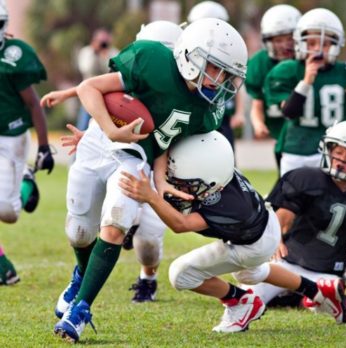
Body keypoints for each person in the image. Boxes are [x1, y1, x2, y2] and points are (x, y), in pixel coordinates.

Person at [49, 18, 248, 343]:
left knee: (115, 223)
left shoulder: (207, 111)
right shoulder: (152, 61)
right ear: (190, 57)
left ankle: (80, 309)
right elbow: (89, 88)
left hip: (135, 157)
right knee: (79, 232)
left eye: (227, 73)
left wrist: (161, 179)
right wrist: (109, 129)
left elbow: (164, 144)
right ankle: (82, 276)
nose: (221, 80)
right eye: (216, 69)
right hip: (100, 141)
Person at [119, 131, 346, 332]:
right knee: (253, 274)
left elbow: (180, 225)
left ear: (211, 184)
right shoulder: (217, 169)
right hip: (265, 226)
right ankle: (318, 292)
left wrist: (149, 197)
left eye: (187, 182)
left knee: (181, 274)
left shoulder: (228, 206)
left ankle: (241, 301)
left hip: (251, 245)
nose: (178, 182)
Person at [42, 21, 184, 305]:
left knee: (148, 245)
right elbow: (108, 90)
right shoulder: (140, 70)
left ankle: (148, 278)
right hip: (126, 158)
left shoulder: (185, 95)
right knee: (95, 224)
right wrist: (95, 131)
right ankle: (85, 279)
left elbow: (174, 138)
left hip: (160, 168)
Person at [244, 121, 346, 312]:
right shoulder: (305, 179)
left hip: (326, 272)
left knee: (326, 306)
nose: (341, 160)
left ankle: (297, 299)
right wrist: (277, 241)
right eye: (338, 153)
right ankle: (293, 297)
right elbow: (281, 219)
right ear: (328, 150)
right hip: (287, 262)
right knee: (247, 297)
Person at [264, 8, 346, 176]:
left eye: (325, 43)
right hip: (297, 149)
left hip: (335, 151)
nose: (318, 49)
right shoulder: (287, 70)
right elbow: (289, 112)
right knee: (291, 197)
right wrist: (306, 81)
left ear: (336, 45)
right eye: (312, 43)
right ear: (300, 43)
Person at [0, 0, 54, 285]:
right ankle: (2, 265)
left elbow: (34, 105)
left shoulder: (14, 56)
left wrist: (44, 146)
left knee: (8, 213)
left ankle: (26, 180)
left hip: (12, 136)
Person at [245, 4, 301, 172]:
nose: (285, 45)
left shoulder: (308, 62)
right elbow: (257, 103)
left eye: (290, 38)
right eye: (278, 40)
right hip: (279, 132)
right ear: (268, 41)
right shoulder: (259, 63)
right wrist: (258, 124)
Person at [186, 0, 246, 149]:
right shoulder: (189, 47)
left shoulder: (230, 48)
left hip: (220, 113)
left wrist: (239, 112)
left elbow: (236, 82)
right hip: (191, 112)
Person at [75, 28, 119, 131]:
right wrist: (95, 53)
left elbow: (112, 72)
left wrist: (105, 56)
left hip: (108, 97)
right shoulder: (86, 52)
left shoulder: (114, 53)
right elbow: (85, 68)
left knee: (104, 128)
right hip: (88, 95)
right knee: (83, 127)